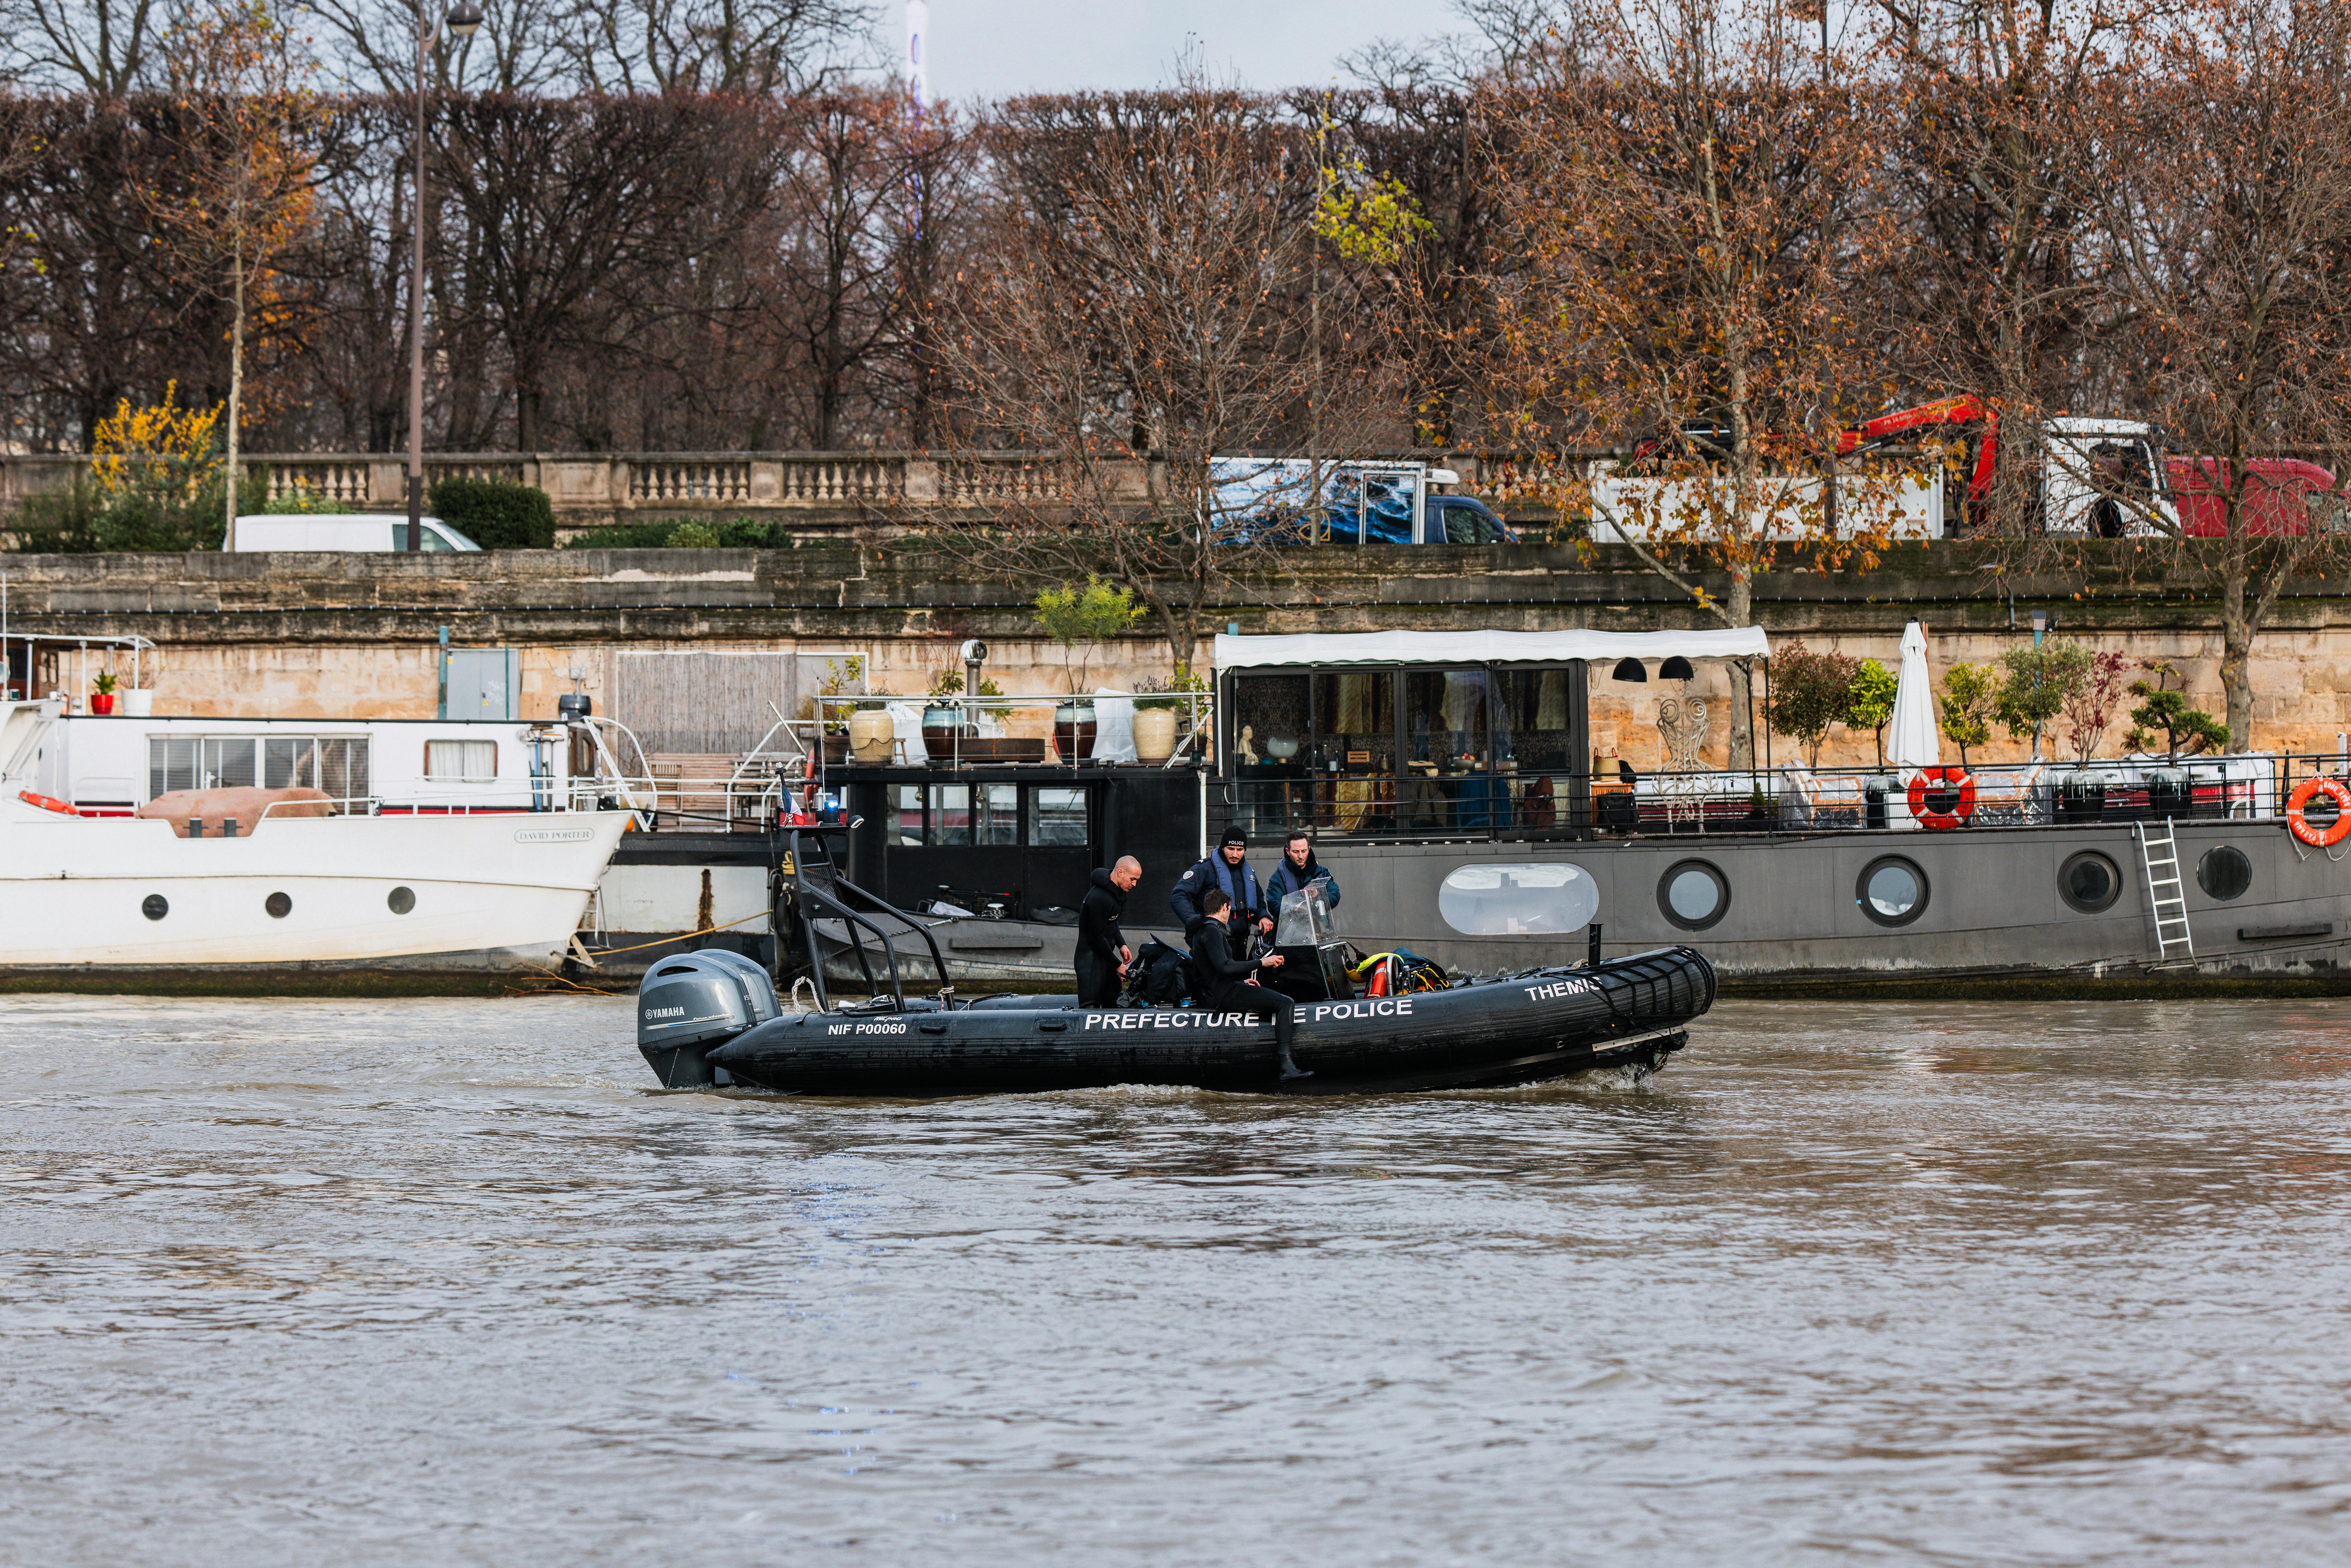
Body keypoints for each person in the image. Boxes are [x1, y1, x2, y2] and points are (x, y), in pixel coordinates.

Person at [1189, 888, 1307, 1080]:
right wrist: (1263, 962)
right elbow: (1225, 968)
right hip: (1229, 994)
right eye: (1230, 910)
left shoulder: (1203, 930)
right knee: (1286, 1003)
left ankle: (1286, 1066)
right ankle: (1287, 1067)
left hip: (1228, 989)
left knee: (1279, 1001)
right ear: (1225, 908)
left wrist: (1242, 981)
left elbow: (1213, 971)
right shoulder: (1211, 931)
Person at [1170, 827, 1273, 941]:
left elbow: (1258, 901)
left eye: (1240, 850)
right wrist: (1194, 921)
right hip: (1211, 941)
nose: (1235, 854)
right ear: (1223, 847)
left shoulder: (1249, 873)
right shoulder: (1204, 869)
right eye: (1231, 849)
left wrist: (1264, 916)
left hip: (1240, 943)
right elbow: (1178, 896)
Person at [1075, 856, 1140, 1006]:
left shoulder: (1116, 892)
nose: (1135, 884)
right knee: (1090, 1009)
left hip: (1107, 958)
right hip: (1091, 961)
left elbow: (1112, 922)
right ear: (1120, 873)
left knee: (1114, 1005)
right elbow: (1097, 938)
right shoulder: (1100, 897)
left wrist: (1122, 944)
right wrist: (1118, 964)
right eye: (1132, 879)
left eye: (1137, 880)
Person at [1263, 830, 1341, 924]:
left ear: (1309, 850)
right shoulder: (1278, 878)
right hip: (1288, 933)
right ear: (1288, 851)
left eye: (1304, 851)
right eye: (1296, 852)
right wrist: (1299, 901)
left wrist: (1318, 896)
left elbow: (1335, 895)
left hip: (1319, 931)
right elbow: (1274, 905)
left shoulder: (1321, 872)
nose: (1300, 856)